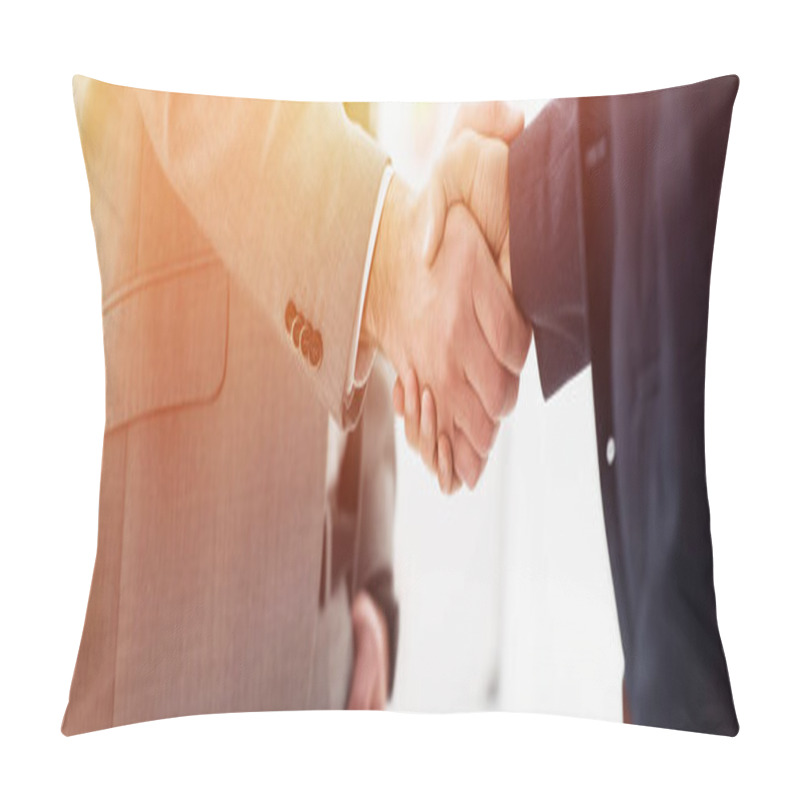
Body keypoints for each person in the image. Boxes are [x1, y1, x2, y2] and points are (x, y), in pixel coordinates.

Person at [63, 77, 529, 733]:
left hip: (330, 619)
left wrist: (368, 576)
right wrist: (397, 254)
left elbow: (355, 125)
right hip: (176, 565)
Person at [398, 77, 740, 734]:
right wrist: (524, 200)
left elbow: (695, 127)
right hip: (677, 642)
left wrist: (515, 201)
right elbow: (676, 122)